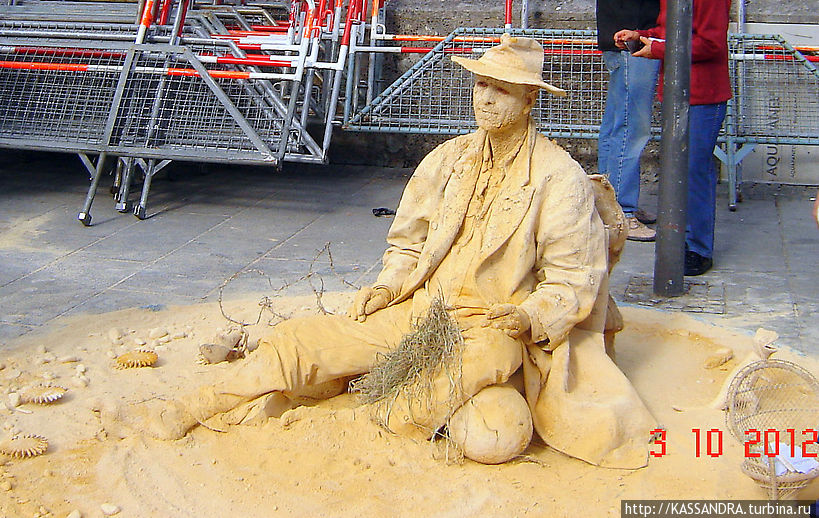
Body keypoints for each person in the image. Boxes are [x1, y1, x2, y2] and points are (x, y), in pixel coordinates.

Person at [107, 36, 656, 469]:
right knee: (306, 337)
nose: (485, 99)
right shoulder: (447, 159)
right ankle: (202, 402)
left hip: (493, 330)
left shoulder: (560, 179)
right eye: (480, 85)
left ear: (531, 99)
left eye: (502, 89)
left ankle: (369, 414)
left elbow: (573, 281)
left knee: (492, 414)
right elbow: (407, 240)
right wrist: (391, 284)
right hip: (422, 310)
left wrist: (528, 315)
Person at [615, 0, 732, 276]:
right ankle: (688, 241)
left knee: (693, 170)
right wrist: (642, 36)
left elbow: (711, 44)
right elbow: (670, 30)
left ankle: (697, 246)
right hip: (682, 91)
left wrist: (657, 46)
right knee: (682, 169)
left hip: (702, 94)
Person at [595, 0, 673, 242]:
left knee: (618, 125)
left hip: (628, 33)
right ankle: (621, 212)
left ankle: (611, 205)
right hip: (633, 37)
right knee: (630, 126)